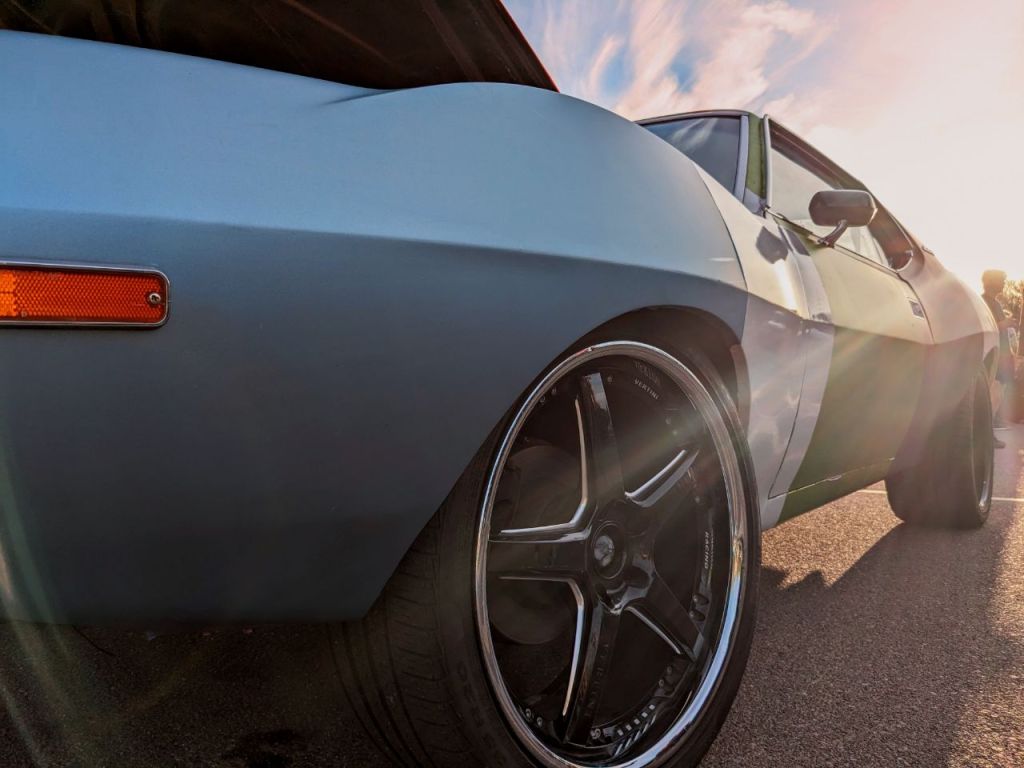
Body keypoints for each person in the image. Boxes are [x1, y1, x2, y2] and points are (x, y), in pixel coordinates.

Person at [981, 269, 1013, 447]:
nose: (1004, 283)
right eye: (1002, 280)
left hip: (1002, 355)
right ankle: (986, 436)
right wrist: (1007, 323)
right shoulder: (985, 302)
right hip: (994, 356)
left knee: (997, 395)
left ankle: (987, 434)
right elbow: (992, 325)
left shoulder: (995, 303)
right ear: (992, 282)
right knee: (992, 395)